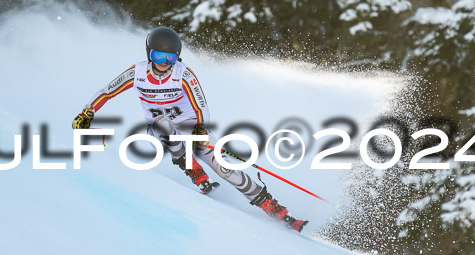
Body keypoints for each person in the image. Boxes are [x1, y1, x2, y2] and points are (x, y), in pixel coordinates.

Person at [72, 26, 307, 232]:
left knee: (224, 168)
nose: (164, 63)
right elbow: (107, 92)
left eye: (170, 58)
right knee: (164, 125)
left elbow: (201, 105)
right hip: (159, 130)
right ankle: (193, 171)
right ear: (149, 54)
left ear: (177, 58)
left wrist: (200, 130)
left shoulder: (182, 74)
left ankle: (272, 206)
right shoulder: (137, 73)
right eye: (158, 56)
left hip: (190, 128)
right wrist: (87, 112)